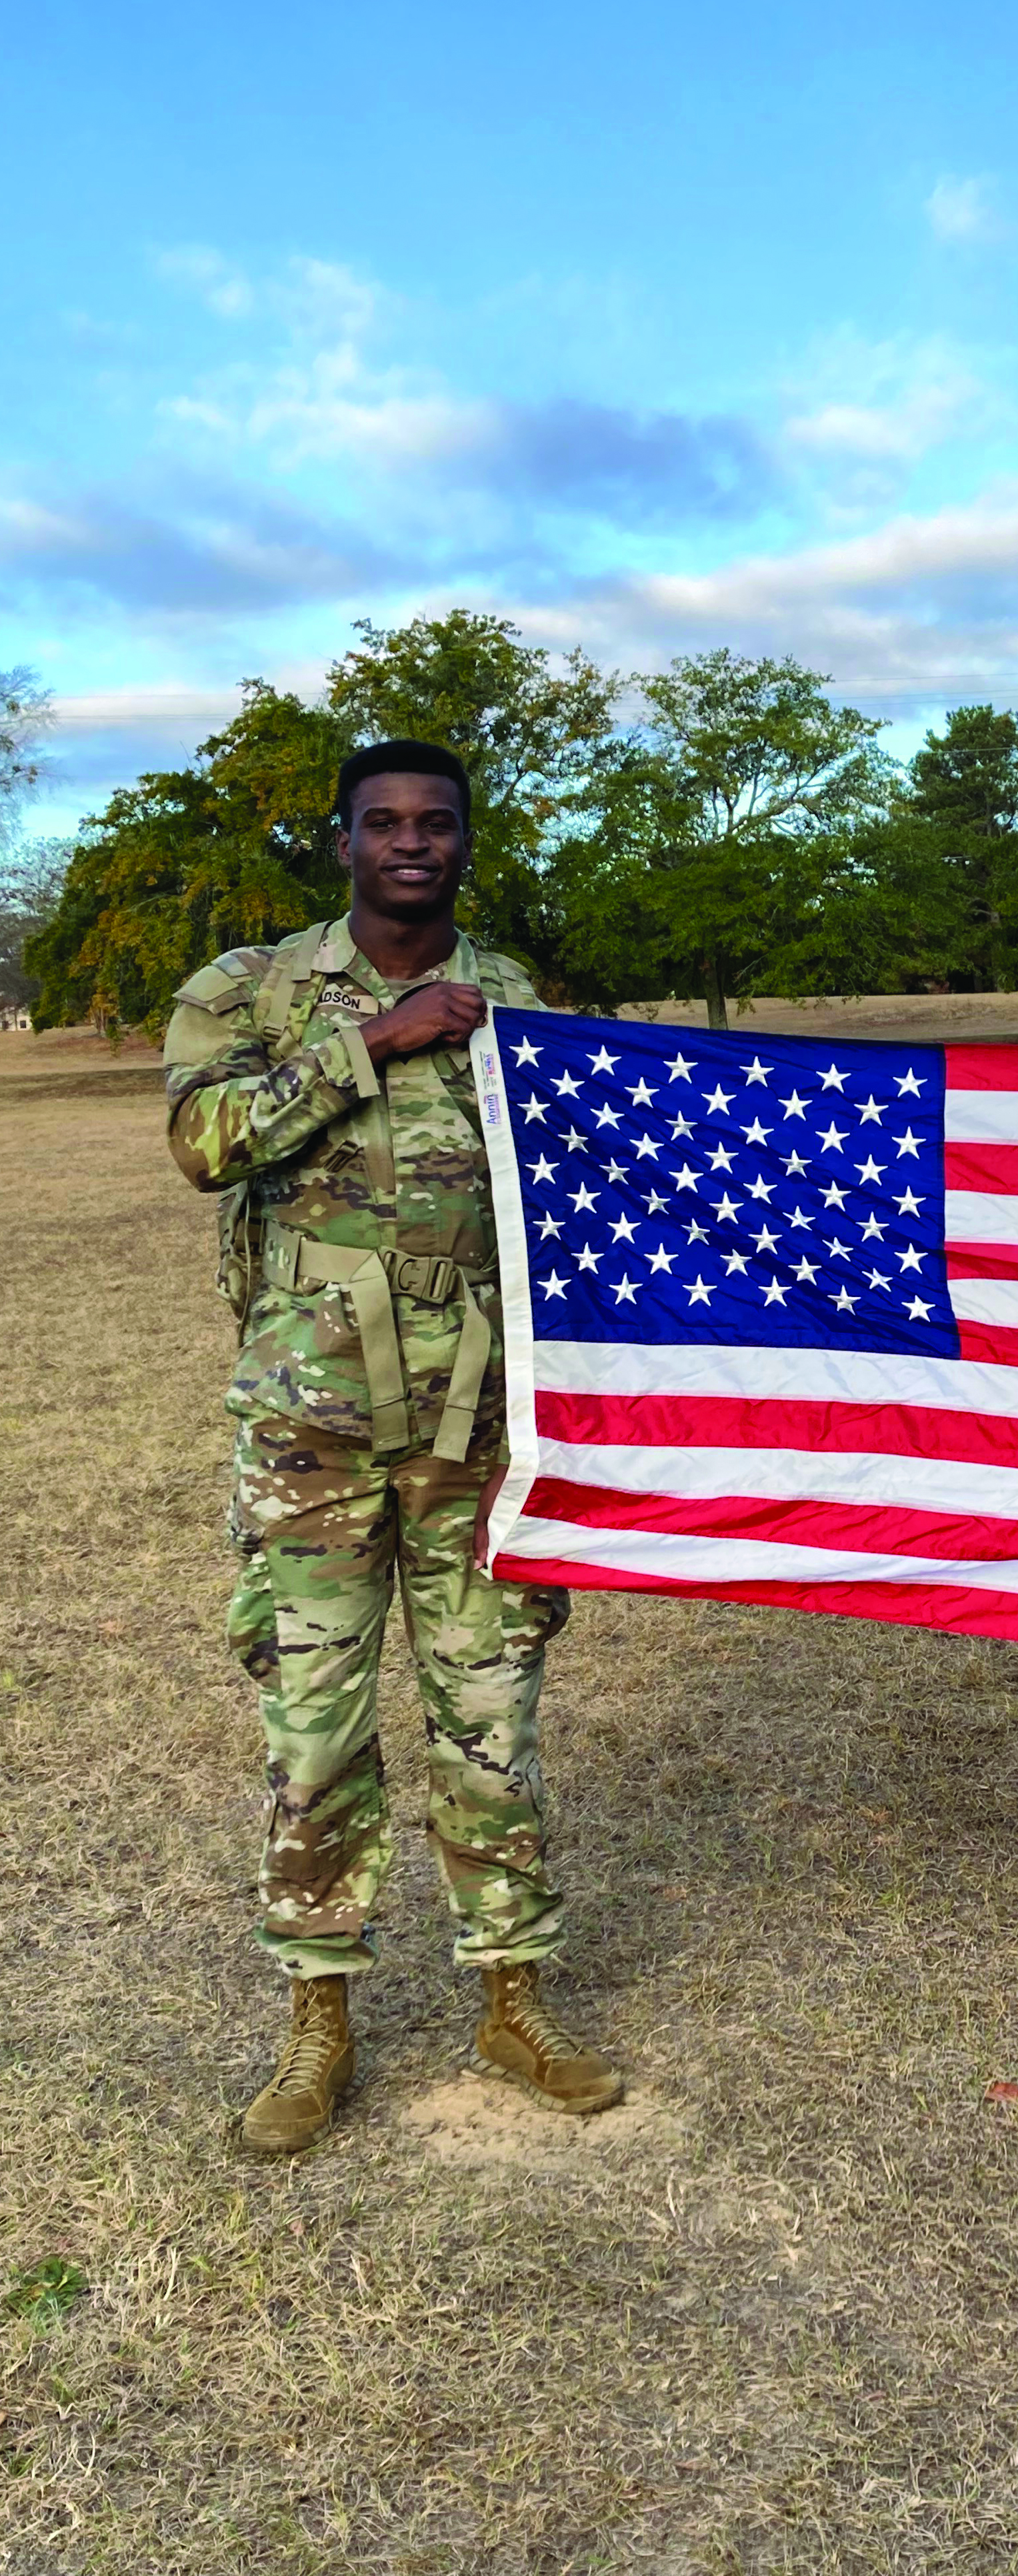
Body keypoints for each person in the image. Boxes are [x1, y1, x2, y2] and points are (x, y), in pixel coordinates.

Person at [164, 739, 623, 2155]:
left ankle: (511, 1997)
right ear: (343, 839)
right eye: (385, 823)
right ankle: (318, 2024)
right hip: (311, 1431)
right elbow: (202, 1139)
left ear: (466, 842)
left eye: (436, 824)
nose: (411, 843)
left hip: (478, 1427)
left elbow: (587, 1175)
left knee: (492, 1725)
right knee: (316, 1730)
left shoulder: (524, 1001)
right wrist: (373, 1040)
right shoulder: (249, 988)